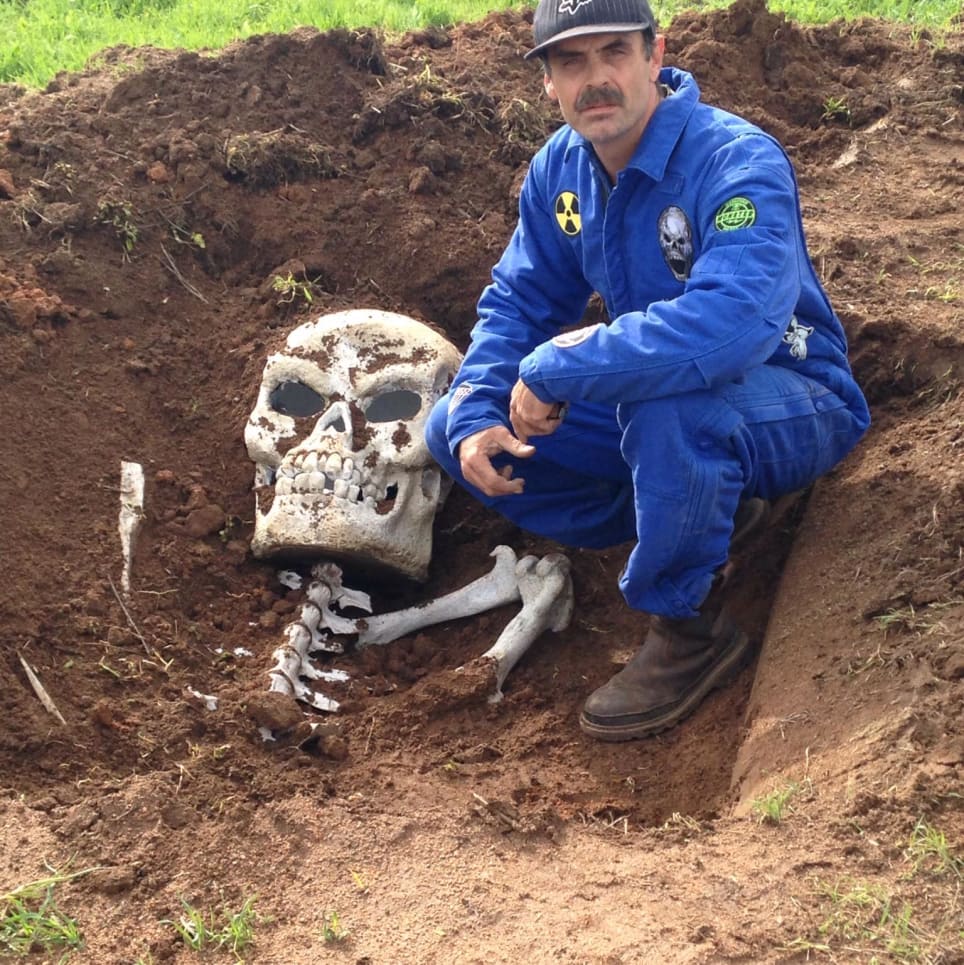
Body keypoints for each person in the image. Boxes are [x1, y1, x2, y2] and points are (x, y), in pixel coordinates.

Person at [424, 0, 870, 741]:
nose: (595, 79)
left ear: (655, 54)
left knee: (675, 412)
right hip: (658, 396)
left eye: (614, 54)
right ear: (547, 82)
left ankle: (688, 624)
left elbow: (733, 325)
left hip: (792, 392)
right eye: (571, 62)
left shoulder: (735, 160)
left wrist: (563, 367)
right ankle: (703, 513)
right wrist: (478, 407)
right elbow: (518, 302)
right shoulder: (560, 172)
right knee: (452, 428)